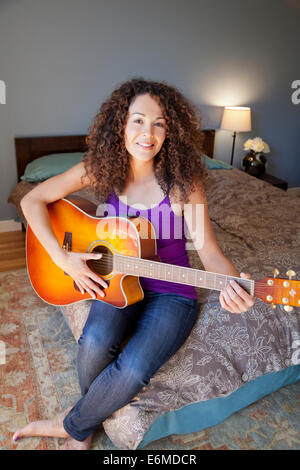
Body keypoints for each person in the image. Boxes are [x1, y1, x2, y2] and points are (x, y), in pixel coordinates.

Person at [12, 78, 254, 450]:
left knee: (136, 368)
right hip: (117, 280)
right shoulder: (101, 168)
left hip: (172, 291)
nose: (148, 132)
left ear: (170, 132)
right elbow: (33, 201)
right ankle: (85, 423)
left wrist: (236, 283)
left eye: (159, 123)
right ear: (120, 125)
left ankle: (74, 425)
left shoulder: (184, 184)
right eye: (138, 120)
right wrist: (66, 260)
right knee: (93, 341)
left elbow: (210, 254)